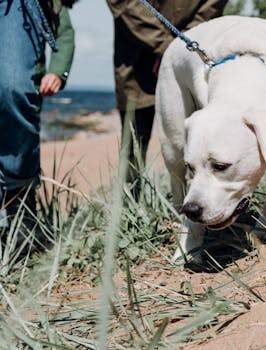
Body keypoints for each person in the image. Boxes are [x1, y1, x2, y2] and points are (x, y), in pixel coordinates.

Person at [106, 0, 228, 189]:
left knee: (200, 138)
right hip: (137, 62)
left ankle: (201, 202)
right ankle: (129, 207)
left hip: (190, 61)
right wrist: (169, 49)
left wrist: (176, 51)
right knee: (134, 145)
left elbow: (210, 8)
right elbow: (125, 5)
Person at [0, 0, 76, 240]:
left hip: (19, 9)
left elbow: (64, 32)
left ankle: (19, 200)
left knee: (13, 89)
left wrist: (58, 70)